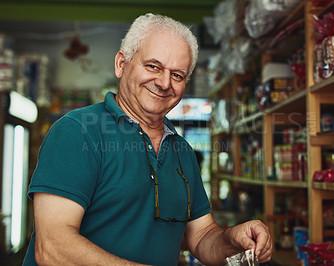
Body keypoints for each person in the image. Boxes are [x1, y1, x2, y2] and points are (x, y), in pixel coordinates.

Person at [22, 13, 272, 266]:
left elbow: (201, 237)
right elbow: (53, 248)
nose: (164, 83)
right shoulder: (77, 131)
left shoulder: (182, 150)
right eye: (153, 66)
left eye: (178, 75)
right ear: (121, 64)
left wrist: (233, 239)